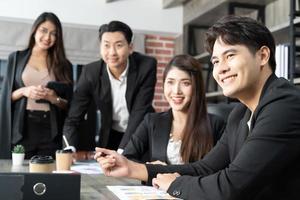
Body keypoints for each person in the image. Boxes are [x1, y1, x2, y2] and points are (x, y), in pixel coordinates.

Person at [94, 15, 300, 200]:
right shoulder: (239, 113)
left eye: (230, 56)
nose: (221, 69)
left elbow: (231, 186)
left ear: (263, 56)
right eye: (216, 61)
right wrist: (131, 168)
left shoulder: (284, 104)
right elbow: (205, 167)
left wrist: (174, 185)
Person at [63, 21, 157, 153]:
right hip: (111, 134)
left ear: (130, 48)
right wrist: (69, 148)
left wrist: (121, 153)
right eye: (106, 45)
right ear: (100, 47)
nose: (112, 52)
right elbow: (74, 116)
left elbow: (139, 113)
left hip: (142, 132)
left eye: (119, 45)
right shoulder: (91, 72)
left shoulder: (146, 66)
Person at [123, 54, 225, 164]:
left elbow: (218, 170)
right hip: (156, 181)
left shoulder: (216, 125)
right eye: (170, 82)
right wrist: (149, 168)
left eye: (185, 83)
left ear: (196, 87)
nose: (176, 91)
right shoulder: (151, 121)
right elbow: (127, 158)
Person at [0, 12, 73, 159]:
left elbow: (70, 106)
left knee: (49, 176)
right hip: (22, 128)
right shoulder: (16, 58)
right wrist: (23, 91)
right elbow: (5, 97)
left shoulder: (64, 65)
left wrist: (54, 99)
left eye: (53, 34)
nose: (47, 37)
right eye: (44, 30)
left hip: (51, 130)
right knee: (20, 176)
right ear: (34, 31)